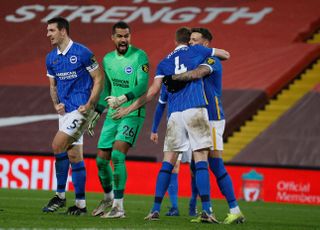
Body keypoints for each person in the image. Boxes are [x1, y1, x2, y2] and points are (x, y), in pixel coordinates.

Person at [110, 27, 230, 223]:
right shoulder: (197, 50)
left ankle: (155, 209)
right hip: (194, 108)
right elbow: (225, 54)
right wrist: (207, 54)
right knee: (200, 160)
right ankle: (207, 210)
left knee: (168, 163)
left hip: (174, 115)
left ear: (175, 42)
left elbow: (151, 93)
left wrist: (126, 109)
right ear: (188, 41)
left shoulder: (164, 63)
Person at [165, 27, 245, 224]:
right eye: (190, 40)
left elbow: (198, 74)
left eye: (195, 40)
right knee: (197, 164)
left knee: (215, 164)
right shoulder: (192, 59)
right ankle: (205, 209)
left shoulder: (211, 61)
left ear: (206, 44)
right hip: (197, 117)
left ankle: (234, 210)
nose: (191, 43)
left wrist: (173, 78)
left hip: (212, 118)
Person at [42, 17, 104, 215]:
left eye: (51, 30)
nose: (48, 34)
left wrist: (91, 104)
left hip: (81, 109)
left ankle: (59, 196)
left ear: (63, 31)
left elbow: (98, 78)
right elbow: (53, 85)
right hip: (65, 111)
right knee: (74, 155)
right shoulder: (51, 58)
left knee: (57, 145)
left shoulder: (83, 52)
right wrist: (56, 104)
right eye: (47, 30)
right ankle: (80, 205)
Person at [89, 21, 150, 219]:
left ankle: (118, 207)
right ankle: (107, 198)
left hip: (132, 113)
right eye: (120, 36)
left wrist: (124, 98)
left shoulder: (139, 56)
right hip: (112, 114)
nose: (124, 40)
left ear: (130, 37)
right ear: (113, 38)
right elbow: (107, 88)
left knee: (117, 155)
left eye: (127, 36)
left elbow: (143, 85)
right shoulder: (107, 59)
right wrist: (98, 111)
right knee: (100, 160)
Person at [150, 85, 193, 217]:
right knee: (173, 167)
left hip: (192, 124)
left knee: (196, 168)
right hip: (176, 125)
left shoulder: (192, 76)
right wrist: (154, 129)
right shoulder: (168, 80)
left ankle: (195, 205)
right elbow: (161, 105)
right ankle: (174, 207)